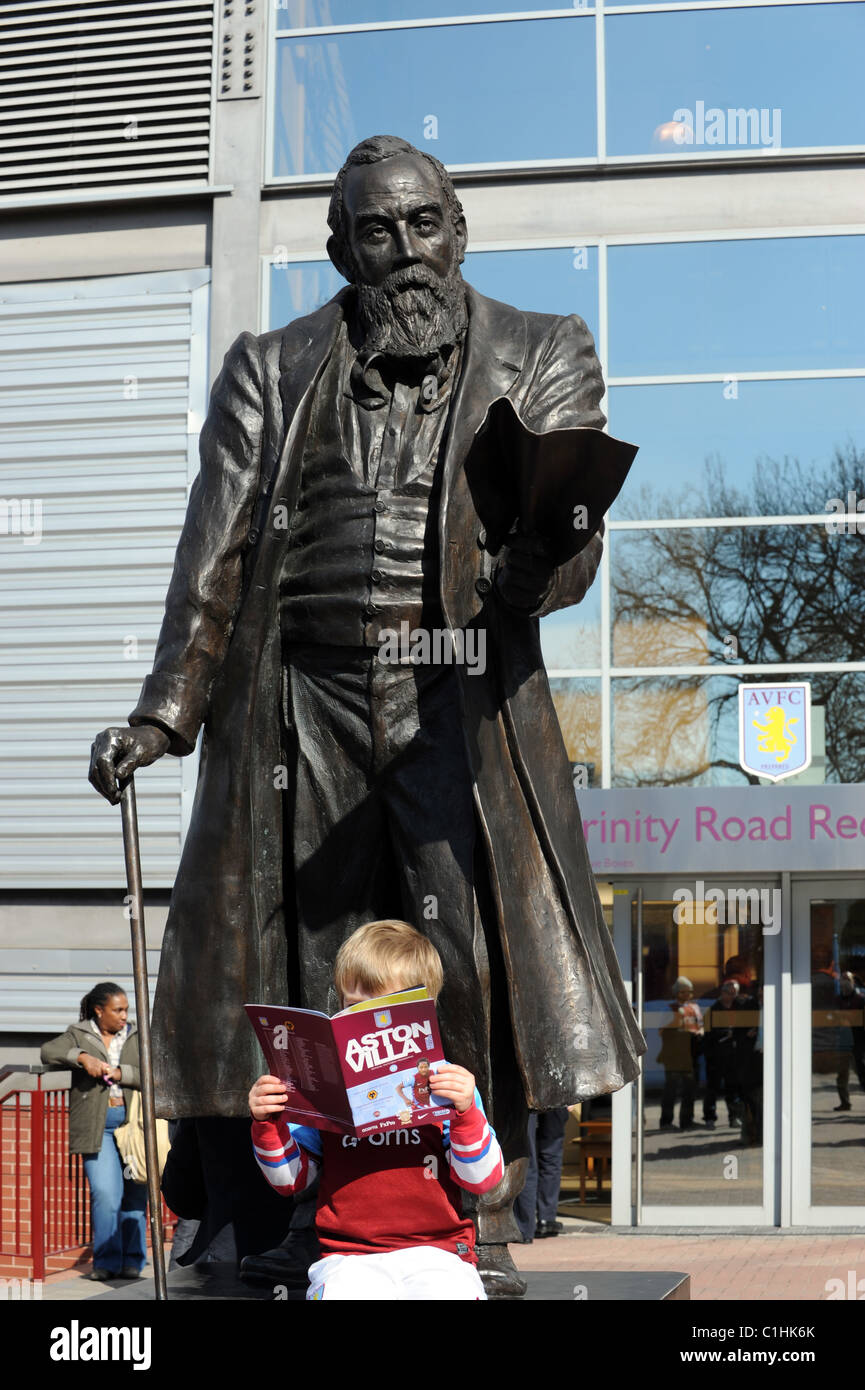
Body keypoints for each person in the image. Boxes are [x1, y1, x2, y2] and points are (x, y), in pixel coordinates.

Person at [88, 134, 645, 1290]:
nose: (404, 252)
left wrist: (545, 549)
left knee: (458, 947)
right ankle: (312, 1208)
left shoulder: (542, 349)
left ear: (458, 228)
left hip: (456, 681)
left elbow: (566, 555)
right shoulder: (270, 366)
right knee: (310, 956)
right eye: (376, 231)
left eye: (423, 224)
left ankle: (469, 1209)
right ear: (340, 247)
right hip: (302, 694)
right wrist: (164, 712)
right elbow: (216, 550)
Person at [249, 920, 504, 1300]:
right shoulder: (325, 1087)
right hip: (349, 1255)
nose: (366, 1019)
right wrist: (267, 1124)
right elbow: (291, 1181)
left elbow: (483, 1180)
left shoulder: (448, 1085)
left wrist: (466, 1112)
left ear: (421, 1009)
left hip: (438, 1252)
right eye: (354, 1007)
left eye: (383, 1008)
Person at [41, 982, 147, 1280]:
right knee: (106, 1194)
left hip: (133, 1127)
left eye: (126, 1009)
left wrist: (121, 1073)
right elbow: (49, 1051)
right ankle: (106, 1262)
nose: (124, 1016)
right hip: (98, 1128)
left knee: (134, 1195)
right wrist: (82, 1057)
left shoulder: (138, 1035)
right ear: (99, 1010)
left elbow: (154, 1071)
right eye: (118, 1010)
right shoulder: (80, 1032)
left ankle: (133, 1261)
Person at [657, 977, 703, 1130]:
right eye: (684, 992)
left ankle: (687, 1121)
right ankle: (666, 1122)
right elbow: (661, 1031)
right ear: (677, 992)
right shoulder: (668, 1009)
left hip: (690, 1054)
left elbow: (700, 1026)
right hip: (673, 1055)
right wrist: (677, 1021)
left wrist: (698, 1032)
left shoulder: (694, 1008)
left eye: (689, 992)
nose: (688, 995)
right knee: (671, 1089)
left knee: (690, 1090)